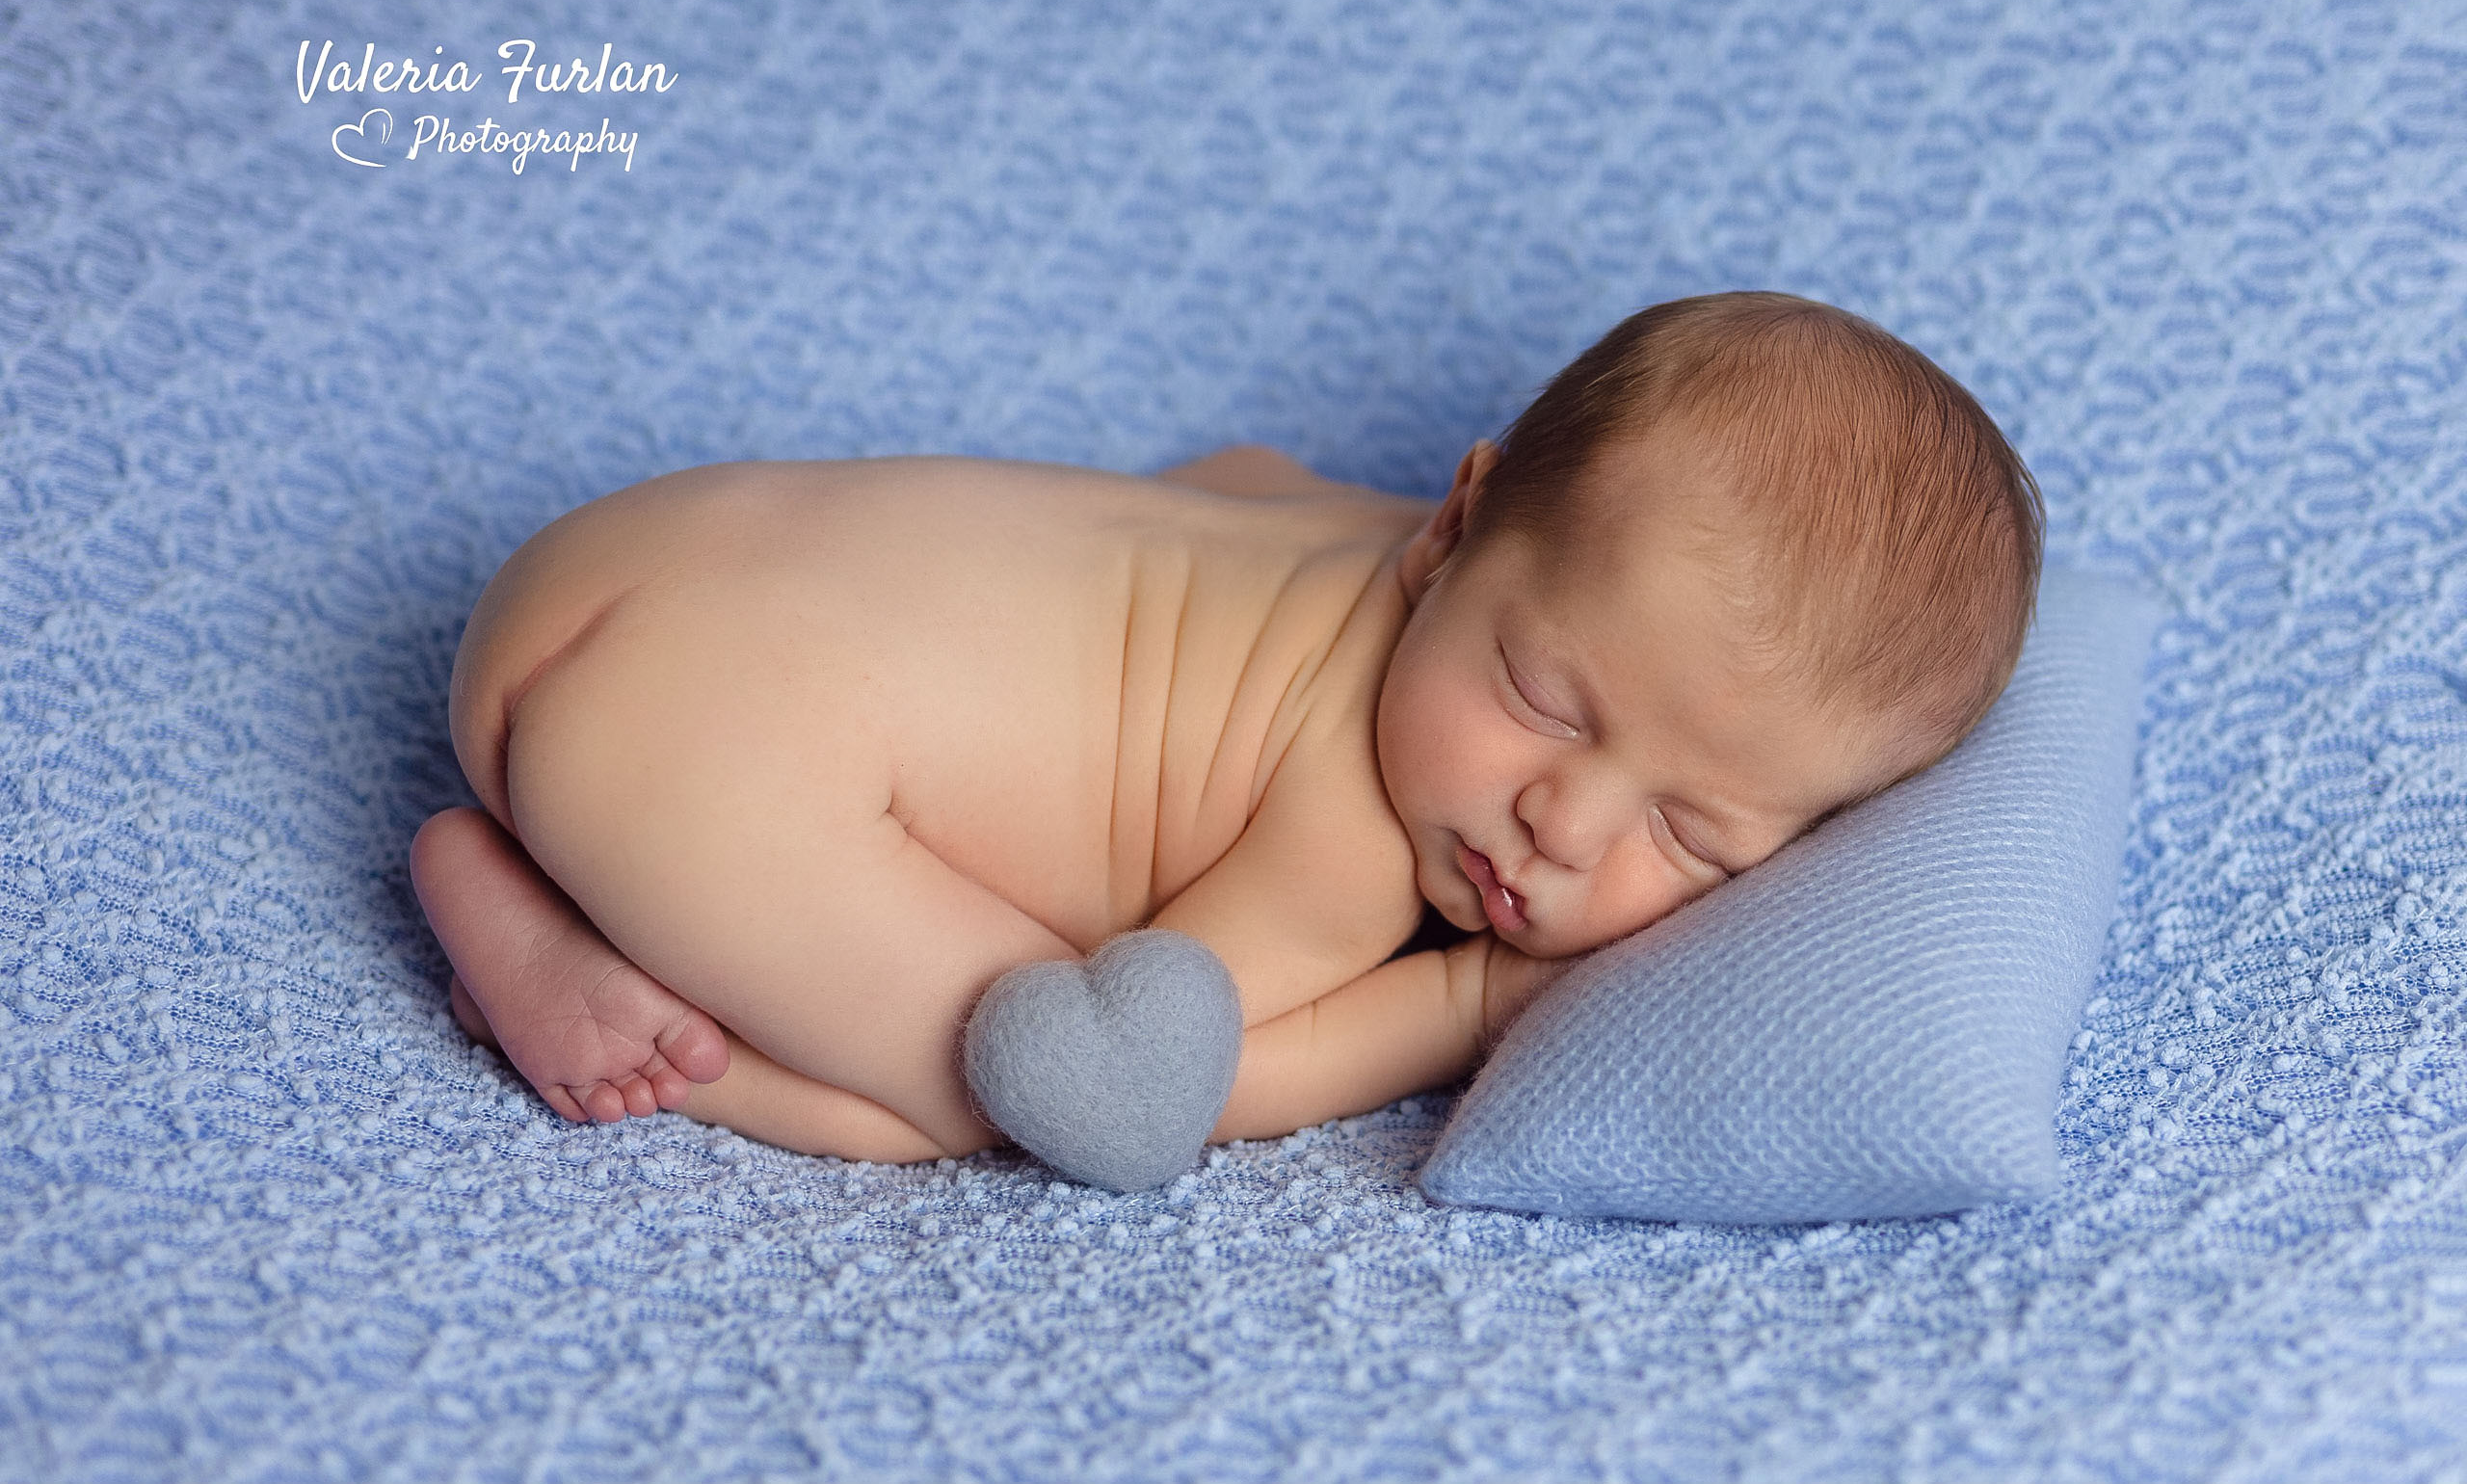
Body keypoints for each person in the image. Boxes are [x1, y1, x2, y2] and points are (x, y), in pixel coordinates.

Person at [409, 291, 2043, 1181]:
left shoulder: (1352, 522)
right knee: (996, 1080)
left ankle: (544, 839)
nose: (1560, 820)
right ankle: (567, 979)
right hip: (689, 755)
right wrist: (1454, 1003)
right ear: (1455, 531)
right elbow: (1143, 1080)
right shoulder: (1342, 846)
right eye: (1547, 700)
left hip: (603, 559)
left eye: (1690, 835)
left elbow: (1234, 463)